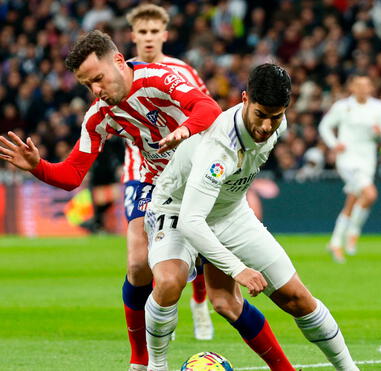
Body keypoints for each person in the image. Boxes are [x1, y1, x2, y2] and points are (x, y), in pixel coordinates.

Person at [0, 30, 224, 371]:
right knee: (137, 265)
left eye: (99, 79)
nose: (96, 91)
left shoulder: (161, 78)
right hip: (157, 183)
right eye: (88, 85)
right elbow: (72, 174)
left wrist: (184, 131)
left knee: (231, 301)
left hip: (207, 178)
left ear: (119, 61)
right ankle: (140, 359)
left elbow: (208, 108)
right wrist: (38, 167)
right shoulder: (99, 115)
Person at [144, 63, 359, 371]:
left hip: (230, 211)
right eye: (261, 115)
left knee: (294, 298)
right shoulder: (219, 148)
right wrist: (239, 269)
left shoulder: (275, 123)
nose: (268, 127)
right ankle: (156, 365)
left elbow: (266, 132)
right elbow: (192, 221)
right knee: (168, 282)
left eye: (277, 116)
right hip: (178, 210)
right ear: (244, 99)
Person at [123, 3, 214, 342]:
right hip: (141, 170)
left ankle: (200, 303)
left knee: (197, 240)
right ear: (133, 36)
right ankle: (159, 314)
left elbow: (208, 115)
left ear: (165, 34)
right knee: (138, 262)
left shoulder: (183, 71)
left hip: (185, 168)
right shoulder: (123, 73)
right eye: (142, 33)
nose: (148, 38)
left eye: (153, 32)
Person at [319, 74, 381, 262]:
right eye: (359, 85)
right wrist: (334, 143)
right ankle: (353, 231)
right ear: (352, 87)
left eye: (367, 85)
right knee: (370, 194)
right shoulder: (342, 107)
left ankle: (335, 242)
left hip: (368, 159)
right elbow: (325, 126)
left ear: (371, 88)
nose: (363, 89)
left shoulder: (378, 107)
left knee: (352, 201)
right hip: (348, 159)